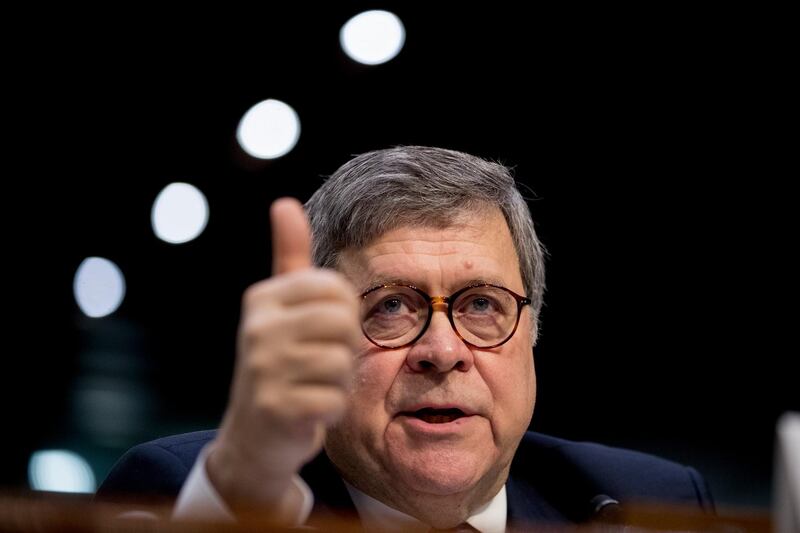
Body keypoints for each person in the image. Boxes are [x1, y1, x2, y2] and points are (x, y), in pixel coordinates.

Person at [97, 146, 714, 530]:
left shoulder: (652, 504)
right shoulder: (186, 489)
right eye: (391, 306)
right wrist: (243, 486)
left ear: (532, 332)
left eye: (481, 305)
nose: (443, 352)